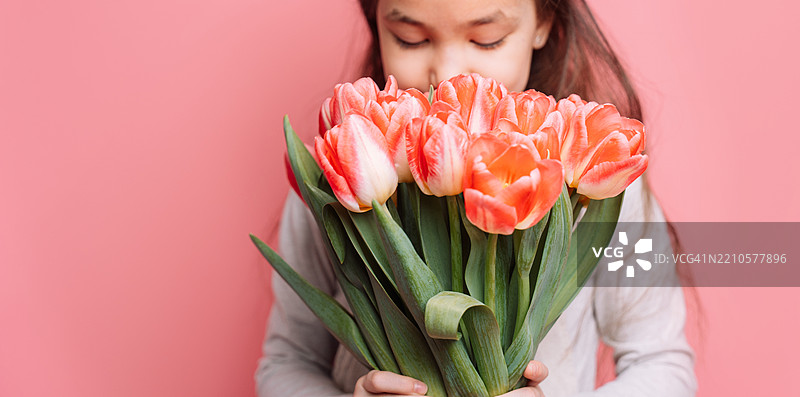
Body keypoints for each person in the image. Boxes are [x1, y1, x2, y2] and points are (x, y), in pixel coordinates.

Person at [256, 0, 698, 396]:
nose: (449, 74)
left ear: (543, 21)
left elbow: (661, 362)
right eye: (410, 38)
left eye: (487, 39)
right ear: (376, 22)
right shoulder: (341, 173)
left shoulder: (599, 184)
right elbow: (285, 364)